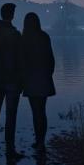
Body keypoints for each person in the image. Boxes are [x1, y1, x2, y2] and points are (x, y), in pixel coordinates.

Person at [0, 3, 24, 159]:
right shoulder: (15, 35)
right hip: (12, 81)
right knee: (11, 115)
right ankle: (10, 149)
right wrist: (21, 79)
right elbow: (21, 60)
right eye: (13, 12)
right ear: (11, 14)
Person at [20, 12, 56, 154]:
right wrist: (48, 74)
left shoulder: (25, 39)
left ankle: (38, 141)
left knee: (36, 112)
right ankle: (41, 142)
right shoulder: (44, 37)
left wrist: (22, 79)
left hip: (31, 79)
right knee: (42, 111)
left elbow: (22, 61)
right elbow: (51, 59)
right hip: (44, 78)